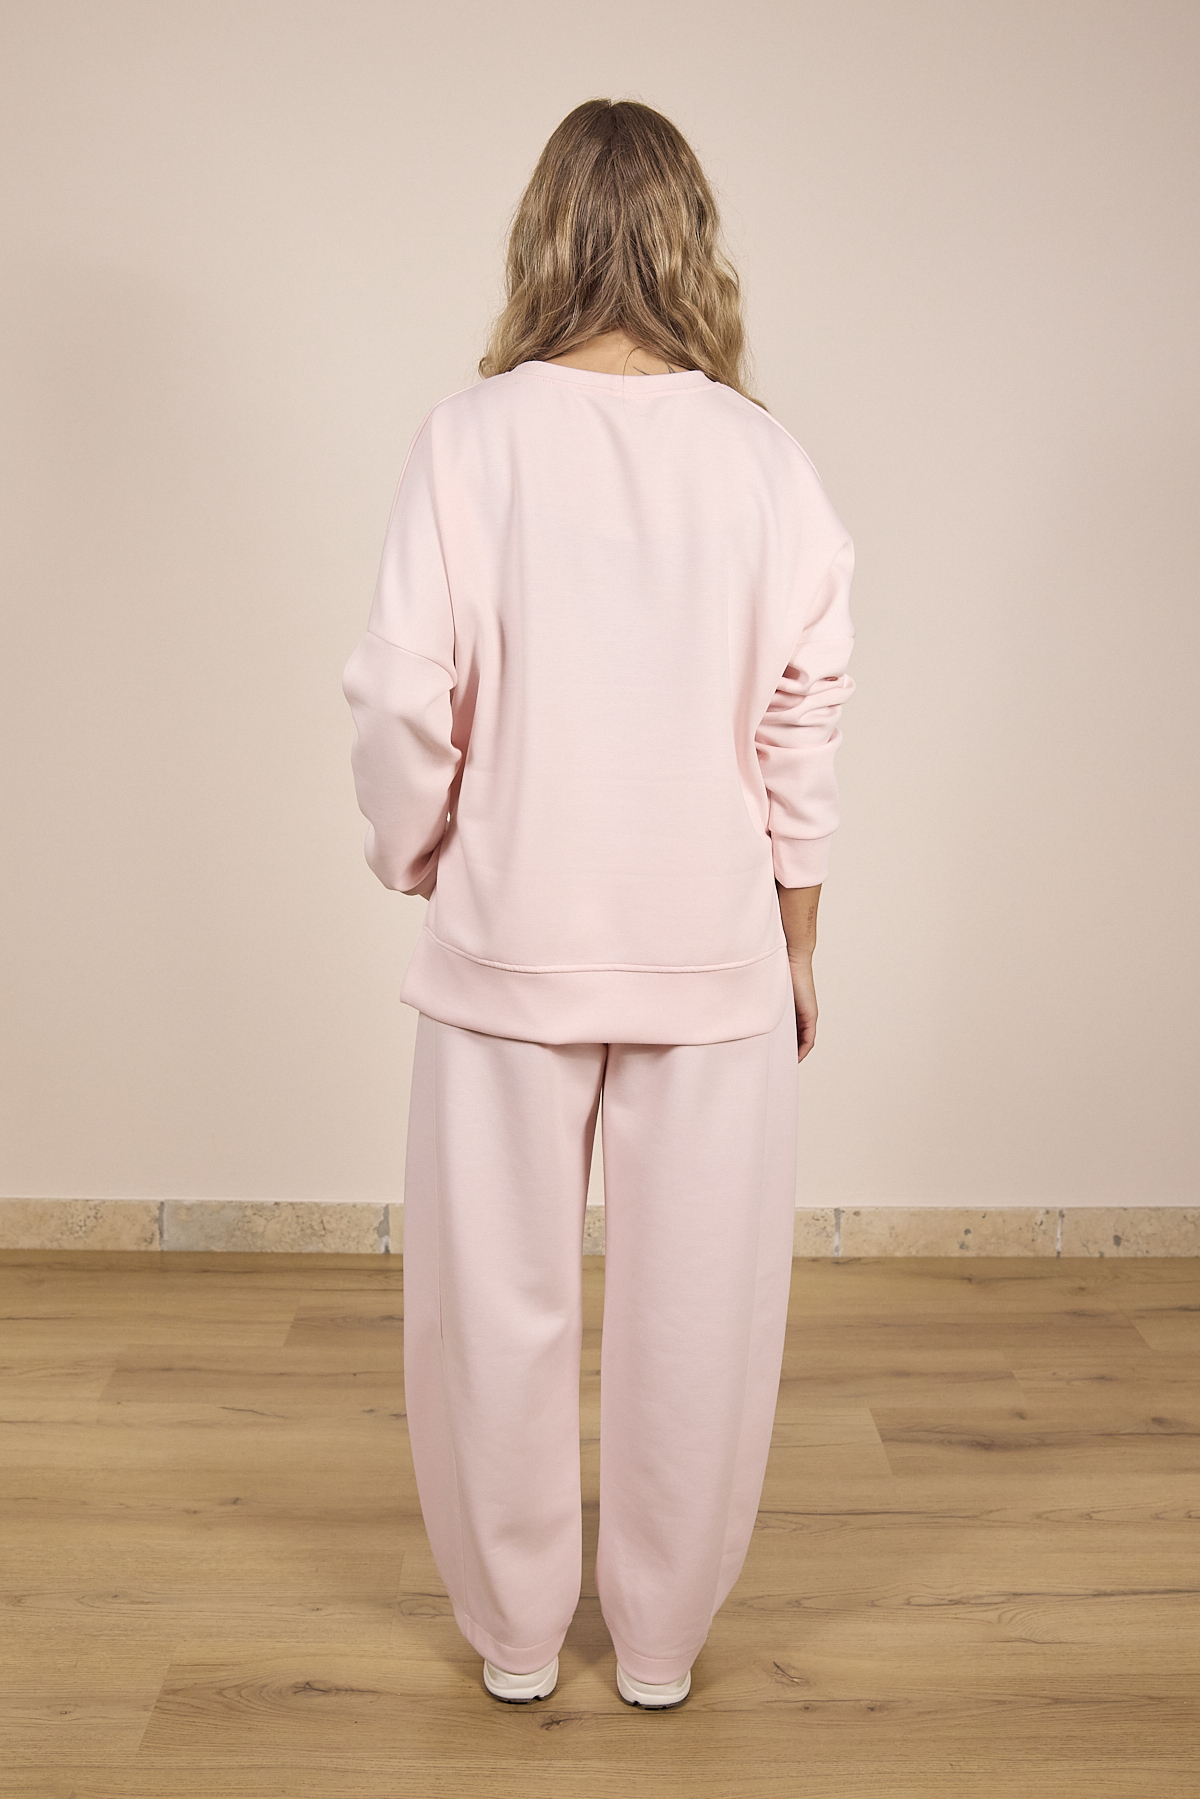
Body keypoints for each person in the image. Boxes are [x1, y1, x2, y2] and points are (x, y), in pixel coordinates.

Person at [341, 97, 855, 1711]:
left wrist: (427, 851)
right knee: (698, 1316)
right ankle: (658, 1647)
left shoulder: (467, 440)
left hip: (508, 943)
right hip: (712, 951)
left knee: (492, 1308)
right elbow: (802, 722)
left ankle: (513, 1638)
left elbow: (400, 693)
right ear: (692, 239)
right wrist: (798, 947)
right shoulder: (768, 461)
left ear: (543, 235)